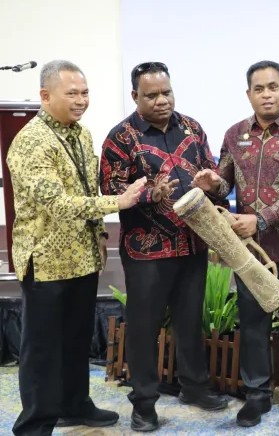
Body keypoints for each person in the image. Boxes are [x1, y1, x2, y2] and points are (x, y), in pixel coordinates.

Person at [8, 60, 145, 435]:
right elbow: (57, 204)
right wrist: (119, 202)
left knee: (75, 339)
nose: (81, 100)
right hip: (46, 260)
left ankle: (75, 404)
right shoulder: (31, 142)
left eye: (85, 92)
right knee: (42, 349)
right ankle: (34, 425)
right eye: (71, 93)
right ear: (45, 95)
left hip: (81, 256)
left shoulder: (81, 134)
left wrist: (99, 235)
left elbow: (86, 189)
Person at [193, 60, 279, 427]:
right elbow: (224, 182)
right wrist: (212, 184)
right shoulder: (235, 134)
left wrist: (261, 219)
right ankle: (257, 395)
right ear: (248, 94)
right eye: (259, 89)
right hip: (250, 251)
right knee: (253, 323)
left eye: (273, 87)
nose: (266, 94)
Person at [100, 62, 228, 432]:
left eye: (166, 92)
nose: (162, 100)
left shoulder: (191, 127)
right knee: (144, 330)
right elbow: (110, 192)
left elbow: (214, 177)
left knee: (189, 322)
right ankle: (144, 405)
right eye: (152, 95)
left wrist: (213, 183)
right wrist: (149, 195)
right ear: (135, 96)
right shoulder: (120, 138)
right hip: (147, 253)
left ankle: (194, 388)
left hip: (191, 245)